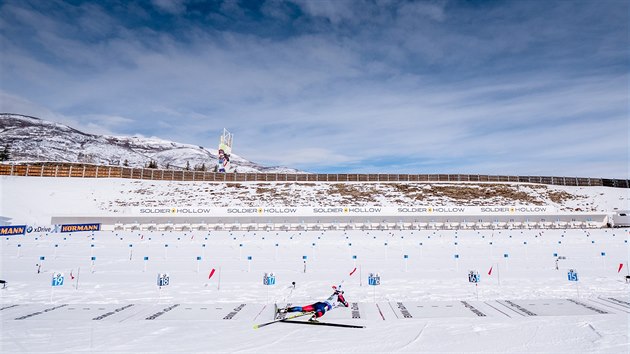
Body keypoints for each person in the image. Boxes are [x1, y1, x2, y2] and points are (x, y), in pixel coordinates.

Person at [278, 286, 349, 322]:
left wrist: (336, 290)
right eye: (342, 292)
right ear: (341, 292)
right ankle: (313, 317)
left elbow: (336, 290)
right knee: (322, 311)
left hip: (319, 303)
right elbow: (346, 305)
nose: (342, 294)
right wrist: (344, 301)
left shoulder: (334, 293)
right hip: (324, 306)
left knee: (302, 309)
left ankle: (284, 310)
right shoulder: (340, 296)